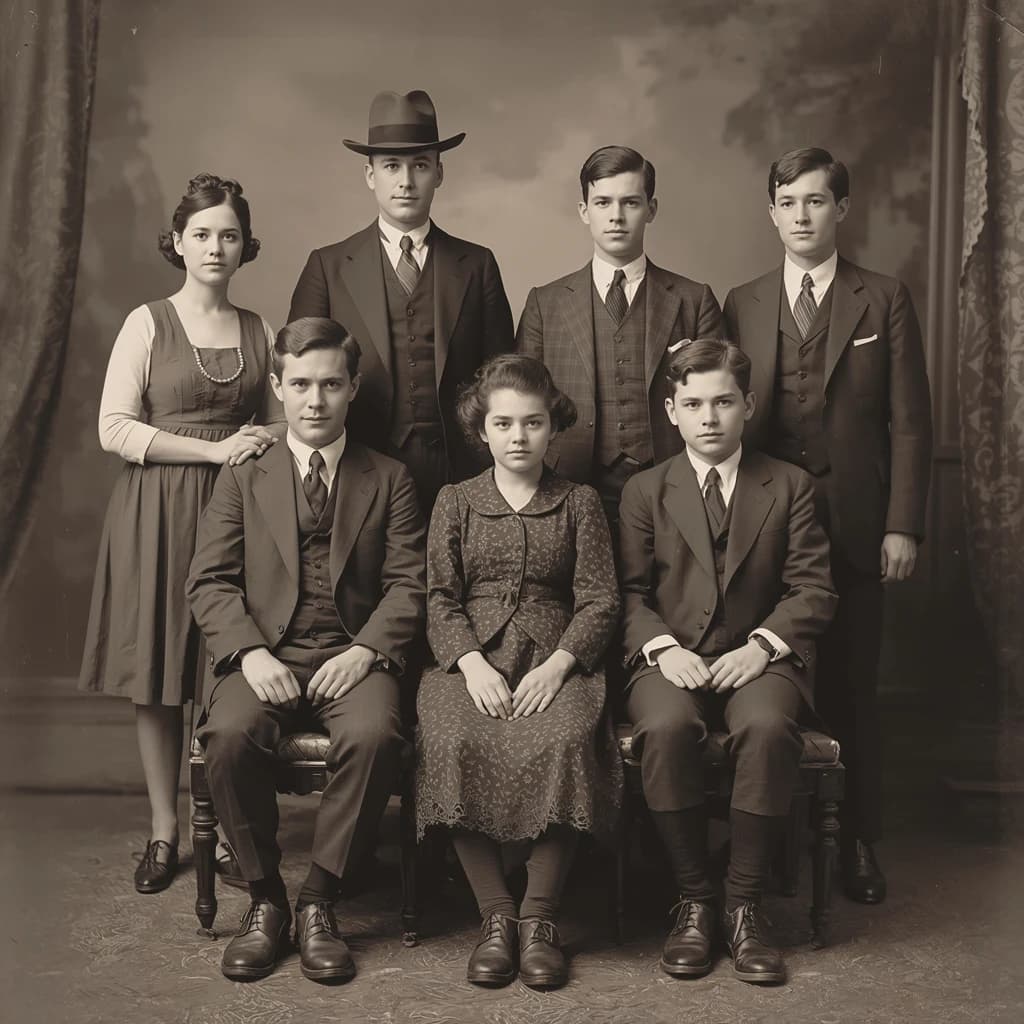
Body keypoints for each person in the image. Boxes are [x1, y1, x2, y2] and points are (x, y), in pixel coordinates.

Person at [186, 317, 426, 984]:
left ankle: (319, 899)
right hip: (266, 651)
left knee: (377, 735)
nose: (315, 400)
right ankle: (266, 900)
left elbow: (411, 583)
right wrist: (251, 655)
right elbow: (208, 580)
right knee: (229, 736)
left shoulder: (390, 478)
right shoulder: (244, 476)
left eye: (329, 384)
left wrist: (369, 650)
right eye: (300, 384)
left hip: (351, 654)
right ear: (278, 388)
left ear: (352, 389)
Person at [723, 147, 932, 903]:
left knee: (850, 688)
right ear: (772, 211)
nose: (803, 215)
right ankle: (774, 844)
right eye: (789, 201)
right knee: (771, 687)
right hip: (762, 532)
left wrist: (901, 523)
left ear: (842, 209)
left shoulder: (883, 297)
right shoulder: (742, 301)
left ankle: (857, 847)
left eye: (817, 201)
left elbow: (910, 422)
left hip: (854, 527)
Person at [78, 173, 282, 895]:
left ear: (244, 245)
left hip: (234, 518)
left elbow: (280, 419)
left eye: (229, 234)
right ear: (177, 242)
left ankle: (223, 829)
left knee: (219, 670)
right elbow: (113, 429)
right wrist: (214, 449)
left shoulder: (258, 330)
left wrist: (261, 440)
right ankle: (164, 830)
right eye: (201, 234)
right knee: (160, 675)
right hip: (157, 513)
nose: (215, 247)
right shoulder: (147, 322)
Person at [619, 339, 837, 985]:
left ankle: (744, 906)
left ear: (748, 405)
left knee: (768, 728)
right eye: (693, 404)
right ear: (671, 411)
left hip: (761, 656)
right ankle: (694, 900)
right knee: (662, 728)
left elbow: (813, 589)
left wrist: (763, 646)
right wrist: (663, 649)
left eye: (722, 401)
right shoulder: (644, 490)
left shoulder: (789, 484)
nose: (708, 417)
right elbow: (626, 595)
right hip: (671, 657)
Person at [415, 354, 623, 989]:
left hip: (556, 659)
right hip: (470, 659)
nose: (518, 437)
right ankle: (496, 916)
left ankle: (539, 919)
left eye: (532, 423)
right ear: (482, 430)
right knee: (451, 739)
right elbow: (440, 598)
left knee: (563, 742)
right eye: (503, 424)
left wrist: (561, 665)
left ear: (551, 428)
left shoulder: (578, 502)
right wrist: (471, 664)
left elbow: (600, 599)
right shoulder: (455, 501)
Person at [288, 89, 515, 511]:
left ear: (440, 174)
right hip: (358, 470)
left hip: (462, 472)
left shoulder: (477, 264)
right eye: (391, 166)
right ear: (370, 175)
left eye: (420, 166)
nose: (406, 181)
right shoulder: (328, 265)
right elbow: (298, 376)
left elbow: (502, 377)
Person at [516, 145, 722, 536]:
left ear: (651, 209)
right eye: (602, 202)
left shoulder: (695, 300)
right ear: (584, 211)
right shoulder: (546, 303)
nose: (615, 216)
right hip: (570, 484)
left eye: (630, 202)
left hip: (671, 483)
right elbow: (522, 401)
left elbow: (717, 400)